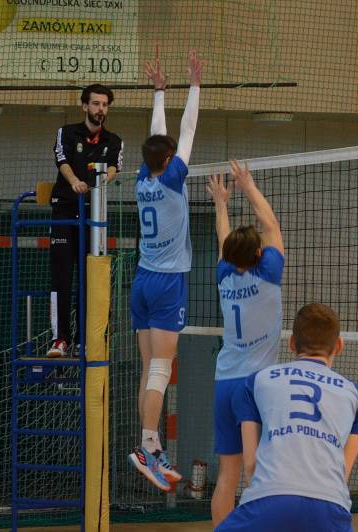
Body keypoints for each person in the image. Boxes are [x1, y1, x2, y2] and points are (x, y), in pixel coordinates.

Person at [216, 303, 358, 532]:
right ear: (339, 346)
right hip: (330, 506)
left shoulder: (256, 382)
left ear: (291, 343)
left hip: (269, 498)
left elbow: (250, 466)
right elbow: (342, 474)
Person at [126, 50, 204, 492]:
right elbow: (185, 131)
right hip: (167, 282)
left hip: (141, 279)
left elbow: (159, 137)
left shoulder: (143, 177)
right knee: (160, 370)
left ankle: (151, 448)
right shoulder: (173, 177)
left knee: (149, 369)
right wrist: (193, 86)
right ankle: (145, 447)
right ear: (170, 159)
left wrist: (159, 92)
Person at [206, 160, 285, 526]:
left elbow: (224, 242)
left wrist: (221, 203)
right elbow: (271, 225)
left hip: (225, 381)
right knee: (259, 471)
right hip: (257, 385)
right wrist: (248, 186)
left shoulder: (224, 274)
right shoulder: (268, 273)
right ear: (257, 255)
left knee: (228, 474)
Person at [47, 83, 124, 357]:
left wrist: (99, 184)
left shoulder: (113, 141)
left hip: (93, 215)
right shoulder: (67, 133)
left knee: (91, 278)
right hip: (65, 212)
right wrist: (75, 182)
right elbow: (62, 160)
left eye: (104, 105)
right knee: (62, 277)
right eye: (96, 104)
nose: (100, 109)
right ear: (85, 106)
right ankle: (60, 339)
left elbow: (114, 168)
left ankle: (85, 339)